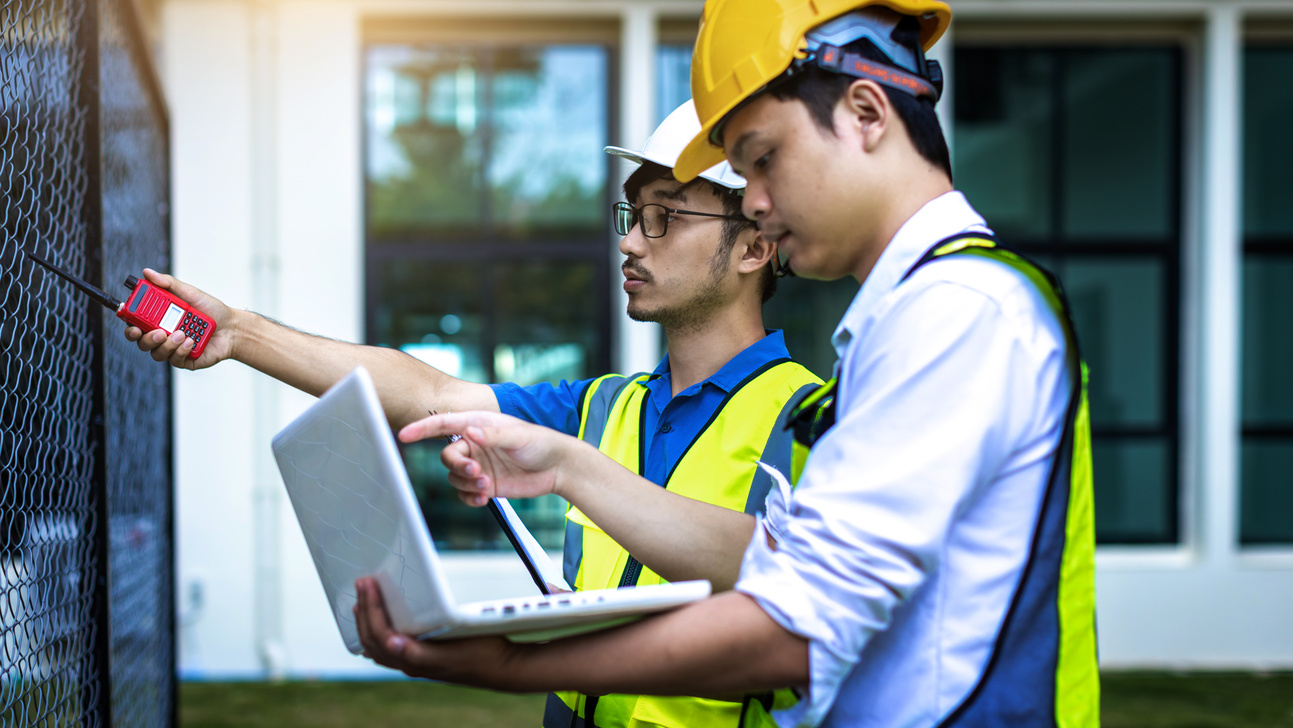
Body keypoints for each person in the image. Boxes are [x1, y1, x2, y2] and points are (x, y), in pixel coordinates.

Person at [352, 1, 1100, 727]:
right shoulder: (914, 315)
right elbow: (776, 560)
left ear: (867, 114)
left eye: (764, 160)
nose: (760, 205)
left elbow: (796, 628)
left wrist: (516, 664)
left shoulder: (956, 312)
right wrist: (566, 467)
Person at [127, 100, 821, 728]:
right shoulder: (604, 405)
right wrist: (241, 335)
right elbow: (432, 395)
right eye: (632, 216)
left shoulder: (815, 422)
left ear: (755, 247)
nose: (630, 242)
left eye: (665, 216)